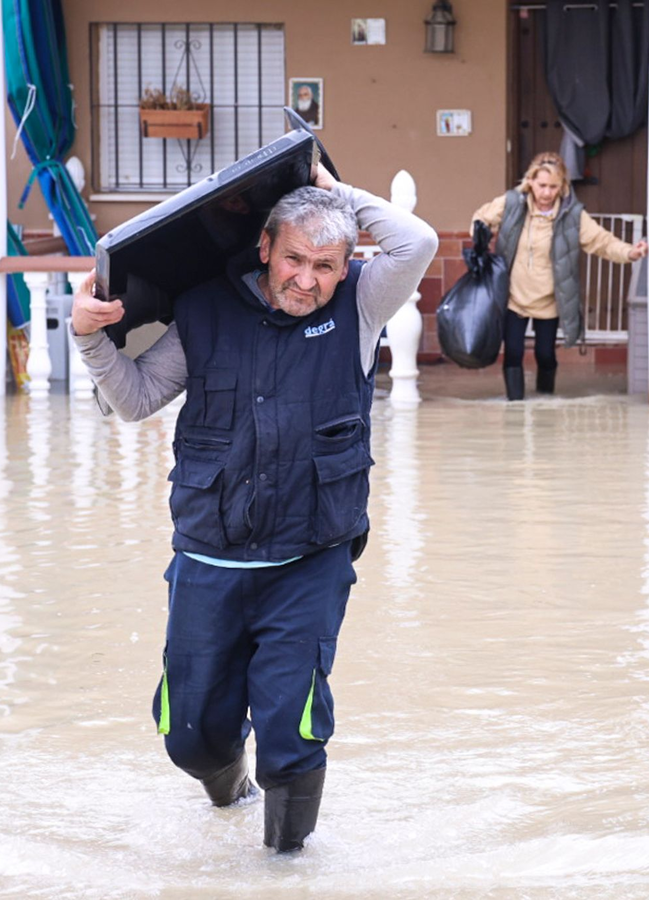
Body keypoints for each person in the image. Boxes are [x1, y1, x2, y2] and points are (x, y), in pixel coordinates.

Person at [70, 164, 438, 852]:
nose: (307, 280)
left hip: (309, 559)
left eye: (325, 266)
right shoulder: (204, 309)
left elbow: (416, 242)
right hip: (209, 558)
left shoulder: (360, 306)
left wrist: (335, 191)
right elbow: (136, 399)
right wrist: (90, 339)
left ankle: (287, 872)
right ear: (265, 247)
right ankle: (230, 793)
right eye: (294, 259)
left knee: (290, 733)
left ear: (346, 266)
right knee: (191, 737)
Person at [471, 151, 648, 400]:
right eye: (542, 185)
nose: (546, 193)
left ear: (562, 186)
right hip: (514, 296)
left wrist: (630, 252)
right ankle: (515, 406)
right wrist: (480, 236)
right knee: (513, 353)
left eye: (553, 187)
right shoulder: (511, 204)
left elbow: (601, 241)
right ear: (530, 182)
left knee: (545, 354)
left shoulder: (572, 215)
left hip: (550, 299)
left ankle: (545, 401)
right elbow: (481, 218)